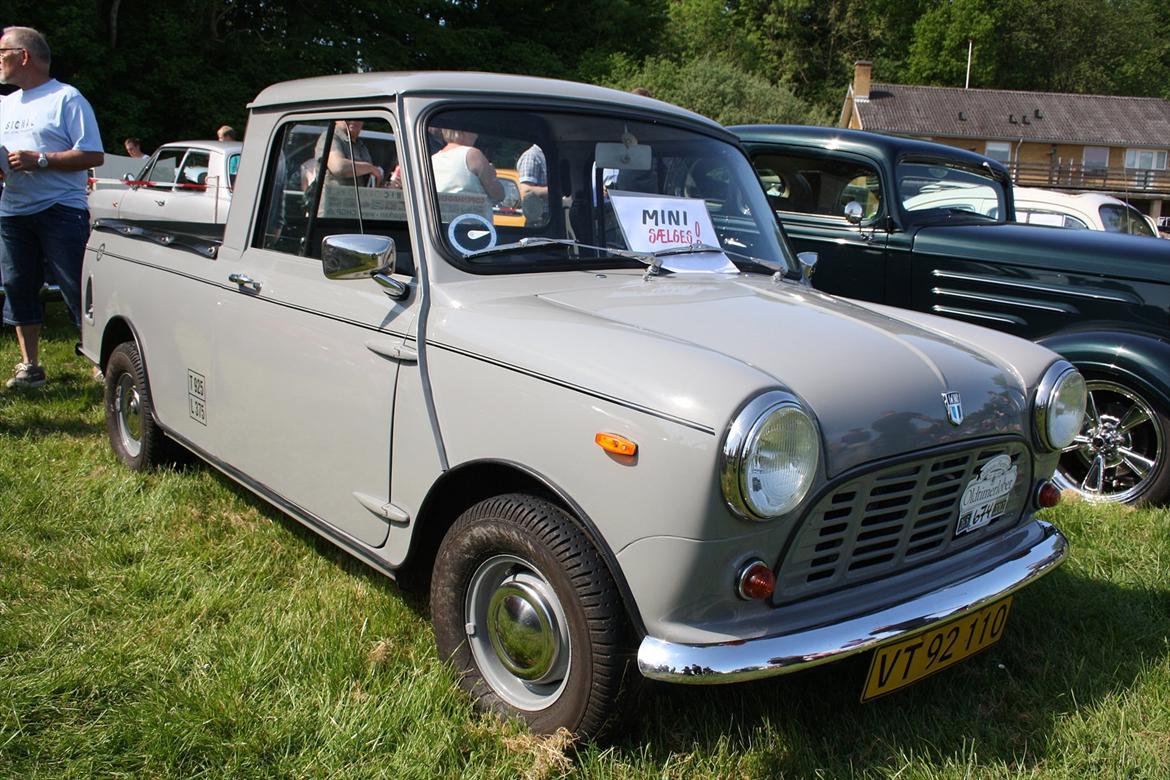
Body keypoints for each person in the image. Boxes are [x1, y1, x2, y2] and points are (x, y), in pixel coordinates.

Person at [0, 26, 104, 389]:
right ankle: (30, 365)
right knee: (18, 286)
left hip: (60, 210)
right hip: (13, 211)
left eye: (3, 51)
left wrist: (40, 160)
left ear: (23, 56)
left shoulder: (67, 98)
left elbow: (93, 154)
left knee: (76, 286)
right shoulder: (5, 103)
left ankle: (99, 359)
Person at [431, 127, 504, 213]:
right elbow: (498, 194)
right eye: (473, 132)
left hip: (441, 223)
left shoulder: (433, 159)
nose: (476, 136)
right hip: (472, 223)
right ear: (461, 131)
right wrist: (492, 174)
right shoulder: (472, 154)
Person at [314, 119, 383, 187]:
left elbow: (369, 179)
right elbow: (338, 167)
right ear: (336, 119)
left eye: (359, 116)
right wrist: (370, 168)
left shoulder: (361, 146)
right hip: (334, 197)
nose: (354, 120)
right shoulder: (330, 137)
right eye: (349, 116)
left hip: (358, 197)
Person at [515, 144, 548, 223]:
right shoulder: (532, 156)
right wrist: (556, 191)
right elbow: (526, 192)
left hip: (554, 215)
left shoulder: (548, 154)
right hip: (540, 220)